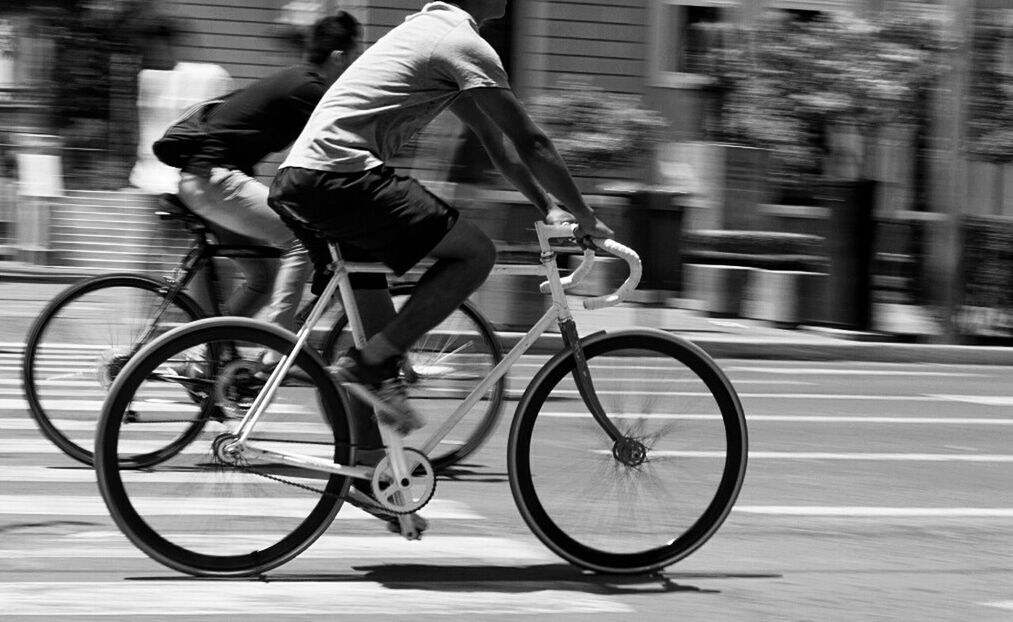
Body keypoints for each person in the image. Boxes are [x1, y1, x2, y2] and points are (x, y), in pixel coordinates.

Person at [269, 0, 612, 447]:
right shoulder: (461, 42)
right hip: (341, 175)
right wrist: (584, 215)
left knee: (376, 345)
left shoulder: (431, 34)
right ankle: (368, 366)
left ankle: (369, 471)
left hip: (305, 180)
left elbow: (497, 143)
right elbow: (531, 140)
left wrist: (548, 205)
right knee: (475, 254)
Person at [175, 12, 362, 338]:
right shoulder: (310, 90)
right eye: (355, 59)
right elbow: (347, 148)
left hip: (201, 180)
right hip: (213, 178)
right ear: (338, 57)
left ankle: (207, 355)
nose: (357, 69)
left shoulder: (297, 81)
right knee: (301, 240)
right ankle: (277, 349)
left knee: (265, 278)